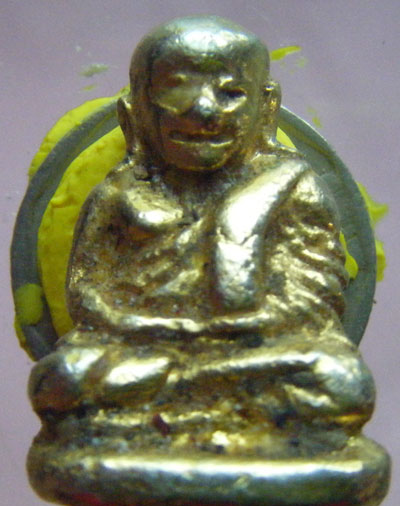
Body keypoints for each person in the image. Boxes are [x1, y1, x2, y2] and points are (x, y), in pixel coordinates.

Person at [29, 16, 374, 457]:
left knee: (340, 380)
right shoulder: (120, 192)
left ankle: (164, 420)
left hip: (254, 353)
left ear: (267, 106)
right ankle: (237, 420)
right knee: (64, 379)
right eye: (175, 91)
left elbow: (318, 297)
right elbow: (85, 294)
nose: (204, 112)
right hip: (144, 351)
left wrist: (239, 323)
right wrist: (151, 328)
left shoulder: (291, 188)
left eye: (231, 93)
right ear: (135, 111)